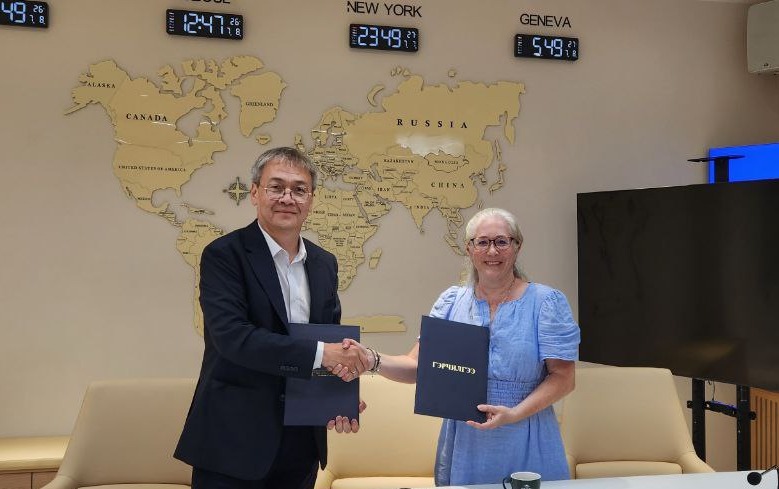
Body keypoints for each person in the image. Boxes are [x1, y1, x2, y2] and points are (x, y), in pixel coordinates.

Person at [334, 207, 580, 486]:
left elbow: (564, 377)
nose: (492, 251)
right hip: (467, 441)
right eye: (482, 242)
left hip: (527, 435)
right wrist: (371, 359)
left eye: (501, 241)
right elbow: (417, 367)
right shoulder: (451, 303)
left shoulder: (546, 303)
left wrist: (514, 414)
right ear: (469, 248)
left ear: (517, 246)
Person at [174, 147, 368, 489]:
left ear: (311, 199)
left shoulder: (324, 263)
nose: (287, 198)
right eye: (276, 187)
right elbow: (234, 338)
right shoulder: (224, 255)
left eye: (299, 189)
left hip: (301, 444)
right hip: (233, 441)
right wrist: (323, 355)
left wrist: (337, 393)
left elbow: (329, 337)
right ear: (255, 193)